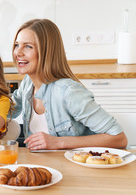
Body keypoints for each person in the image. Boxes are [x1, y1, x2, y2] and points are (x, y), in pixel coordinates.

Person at [11, 18, 128, 151]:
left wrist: (59, 142)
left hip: (74, 169)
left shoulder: (68, 91)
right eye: (16, 45)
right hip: (41, 167)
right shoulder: (27, 83)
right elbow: (7, 111)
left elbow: (119, 138)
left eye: (28, 46)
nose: (18, 53)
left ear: (46, 52)